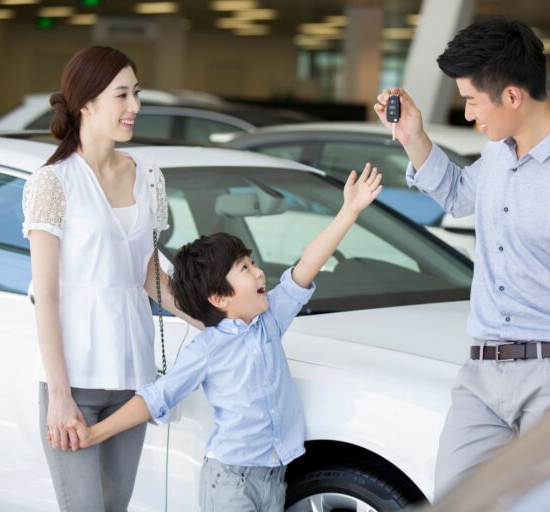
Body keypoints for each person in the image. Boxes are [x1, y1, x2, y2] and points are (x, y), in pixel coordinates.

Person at [374, 16, 550, 498]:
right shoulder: (499, 153)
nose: (470, 114)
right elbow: (457, 197)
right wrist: (411, 136)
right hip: (482, 374)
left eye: (471, 101)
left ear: (512, 96)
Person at [68, 164, 383, 511]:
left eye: (251, 261)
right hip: (230, 482)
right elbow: (157, 397)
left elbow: (307, 263)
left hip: (273, 477)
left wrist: (349, 210)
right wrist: (94, 434)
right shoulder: (208, 348)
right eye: (245, 269)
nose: (259, 270)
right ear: (218, 299)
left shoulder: (270, 319)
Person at [22, 46, 202, 511]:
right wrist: (59, 398)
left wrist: (209, 319)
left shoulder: (147, 176)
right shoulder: (53, 183)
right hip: (75, 383)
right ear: (87, 103)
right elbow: (47, 296)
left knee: (114, 507)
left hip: (133, 379)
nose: (135, 106)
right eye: (122, 94)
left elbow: (149, 275)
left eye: (136, 93)